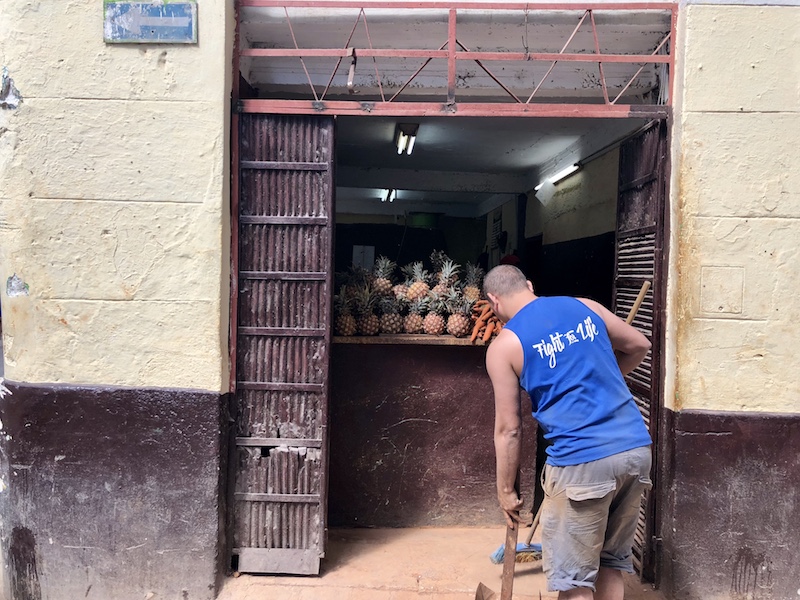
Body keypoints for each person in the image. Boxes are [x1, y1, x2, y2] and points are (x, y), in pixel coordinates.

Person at [483, 265, 653, 600]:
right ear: (529, 286)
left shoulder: (504, 346)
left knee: (574, 582)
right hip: (635, 451)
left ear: (493, 301)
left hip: (582, 464)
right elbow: (638, 345)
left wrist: (505, 490)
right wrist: (599, 380)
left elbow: (509, 430)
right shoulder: (585, 306)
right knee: (610, 563)